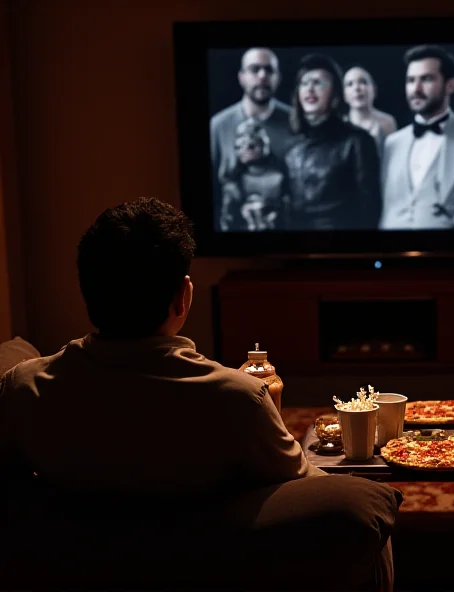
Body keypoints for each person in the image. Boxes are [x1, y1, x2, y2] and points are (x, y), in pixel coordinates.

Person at [0, 197, 325, 493]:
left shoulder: (22, 389)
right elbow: (315, 493)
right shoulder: (241, 398)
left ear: (87, 291)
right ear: (183, 297)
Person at [380, 45, 454, 230]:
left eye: (426, 79)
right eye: (411, 80)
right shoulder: (392, 143)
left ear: (450, 85)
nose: (416, 88)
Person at [283, 54, 382, 230]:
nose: (310, 89)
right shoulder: (292, 150)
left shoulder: (357, 141)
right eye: (304, 83)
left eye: (318, 82)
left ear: (336, 92)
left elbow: (369, 209)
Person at [210, 48, 294, 232]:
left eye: (269, 70)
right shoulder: (217, 126)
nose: (262, 76)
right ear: (241, 77)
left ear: (278, 77)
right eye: (255, 69)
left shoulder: (296, 122)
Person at [343, 65, 397, 156]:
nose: (357, 88)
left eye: (363, 82)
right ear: (344, 95)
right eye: (350, 84)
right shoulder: (341, 125)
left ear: (374, 89)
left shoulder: (387, 122)